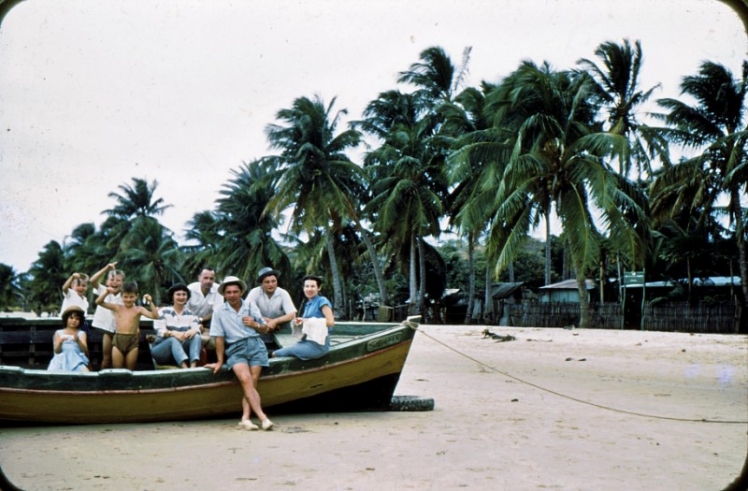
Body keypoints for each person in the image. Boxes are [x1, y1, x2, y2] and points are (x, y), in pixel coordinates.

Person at [205, 276, 274, 431]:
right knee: (245, 379)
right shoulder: (219, 311)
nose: (232, 295)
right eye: (228, 292)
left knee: (252, 382)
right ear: (224, 294)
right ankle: (263, 417)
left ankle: (245, 418)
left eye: (235, 292)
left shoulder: (250, 305)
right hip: (236, 348)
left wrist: (254, 324)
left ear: (241, 292)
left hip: (256, 345)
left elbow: (265, 328)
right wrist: (220, 361)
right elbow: (219, 338)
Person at [95, 282, 159, 370]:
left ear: (136, 296)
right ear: (121, 296)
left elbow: (155, 316)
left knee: (129, 370)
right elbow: (98, 302)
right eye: (125, 297)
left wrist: (150, 301)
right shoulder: (117, 308)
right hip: (118, 340)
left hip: (132, 341)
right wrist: (106, 292)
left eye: (131, 297)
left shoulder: (138, 309)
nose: (128, 299)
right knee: (117, 370)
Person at [271, 274, 334, 360]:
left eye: (312, 286)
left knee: (277, 353)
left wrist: (307, 321)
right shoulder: (308, 304)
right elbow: (306, 323)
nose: (309, 289)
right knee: (279, 351)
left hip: (319, 345)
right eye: (307, 286)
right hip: (305, 341)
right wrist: (299, 322)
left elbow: (331, 322)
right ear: (303, 288)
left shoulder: (322, 301)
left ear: (319, 288)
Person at [148, 284, 202, 368]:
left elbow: (196, 327)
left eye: (184, 294)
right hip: (162, 351)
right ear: (172, 297)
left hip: (181, 350)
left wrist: (194, 330)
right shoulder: (163, 311)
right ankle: (185, 369)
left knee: (196, 337)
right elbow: (160, 331)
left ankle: (193, 367)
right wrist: (172, 333)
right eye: (178, 294)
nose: (181, 297)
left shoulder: (190, 314)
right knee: (173, 340)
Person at [245, 267, 297, 350]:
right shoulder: (254, 292)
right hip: (260, 328)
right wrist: (268, 320)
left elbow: (292, 314)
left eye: (273, 281)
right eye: (267, 282)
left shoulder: (283, 293)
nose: (271, 284)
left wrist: (275, 321)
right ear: (261, 284)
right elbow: (247, 311)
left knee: (286, 348)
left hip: (279, 329)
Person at [90, 262, 125, 369]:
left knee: (118, 361)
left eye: (118, 280)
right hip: (107, 331)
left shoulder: (125, 296)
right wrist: (106, 268)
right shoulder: (102, 290)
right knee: (106, 360)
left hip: (120, 332)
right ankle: (102, 384)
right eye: (112, 279)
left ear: (123, 283)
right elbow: (92, 280)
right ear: (106, 282)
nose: (114, 282)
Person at [186, 267, 224, 348]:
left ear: (214, 279)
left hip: (208, 321)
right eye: (205, 278)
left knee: (220, 321)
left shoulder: (218, 289)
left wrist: (201, 320)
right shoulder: (190, 289)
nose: (208, 281)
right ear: (199, 278)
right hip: (189, 319)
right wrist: (195, 322)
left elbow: (216, 312)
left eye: (211, 278)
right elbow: (184, 310)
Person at [48, 305, 90, 372]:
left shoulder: (82, 333)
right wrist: (60, 342)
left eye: (77, 319)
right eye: (71, 318)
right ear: (66, 319)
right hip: (60, 361)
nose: (74, 320)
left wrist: (78, 341)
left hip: (77, 360)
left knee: (86, 373)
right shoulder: (59, 333)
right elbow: (57, 351)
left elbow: (84, 349)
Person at [60, 272, 90, 336]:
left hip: (81, 323)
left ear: (86, 287)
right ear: (72, 286)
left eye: (83, 285)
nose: (81, 288)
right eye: (78, 285)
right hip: (69, 322)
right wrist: (72, 277)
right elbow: (64, 288)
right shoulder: (70, 294)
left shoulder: (85, 299)